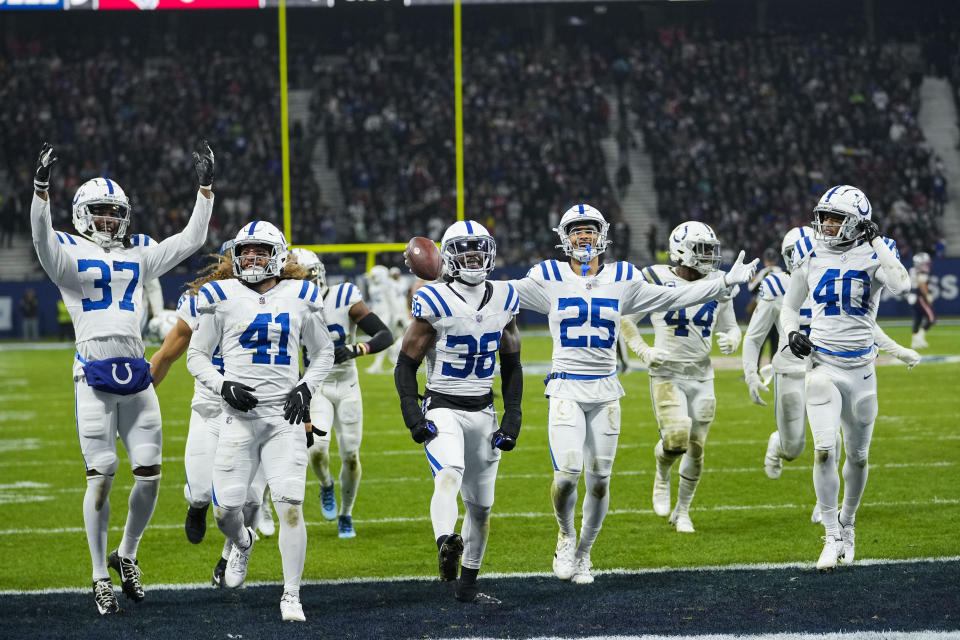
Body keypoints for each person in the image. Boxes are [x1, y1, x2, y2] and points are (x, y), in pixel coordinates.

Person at [510, 204, 758, 583]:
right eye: (576, 230)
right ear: (564, 237)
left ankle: (584, 554)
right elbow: (503, 294)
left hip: (607, 389)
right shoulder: (547, 275)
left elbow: (672, 299)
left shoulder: (624, 276)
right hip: (566, 386)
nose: (583, 237)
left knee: (600, 479)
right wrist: (457, 282)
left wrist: (724, 284)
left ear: (603, 234)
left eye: (590, 230)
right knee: (567, 473)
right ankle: (565, 535)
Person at [29, 141, 215, 615]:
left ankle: (126, 554)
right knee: (103, 476)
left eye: (115, 213)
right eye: (100, 212)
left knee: (151, 474)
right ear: (82, 214)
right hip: (90, 375)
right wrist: (40, 190)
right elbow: (41, 237)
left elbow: (190, 240)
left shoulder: (140, 253)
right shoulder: (66, 251)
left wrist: (206, 189)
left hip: (135, 374)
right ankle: (97, 575)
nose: (109, 221)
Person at [187, 220, 334, 622]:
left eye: (260, 251)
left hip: (283, 417)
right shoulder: (221, 295)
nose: (251, 257)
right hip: (238, 418)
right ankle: (243, 541)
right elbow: (196, 356)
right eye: (245, 250)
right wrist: (223, 386)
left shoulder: (300, 294)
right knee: (225, 512)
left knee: (290, 506)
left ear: (278, 256)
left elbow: (324, 352)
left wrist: (306, 388)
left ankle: (291, 595)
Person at [742, 226, 919, 523]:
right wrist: (750, 374)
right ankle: (779, 443)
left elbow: (868, 327)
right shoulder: (777, 286)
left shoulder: (834, 277)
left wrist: (900, 351)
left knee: (830, 440)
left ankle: (825, 504)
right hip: (789, 369)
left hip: (826, 367)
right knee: (794, 446)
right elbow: (754, 335)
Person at [779, 185, 911, 571]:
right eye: (825, 216)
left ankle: (848, 525)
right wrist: (791, 333)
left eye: (835, 217)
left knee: (858, 456)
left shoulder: (878, 249)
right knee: (824, 450)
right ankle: (831, 535)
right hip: (822, 365)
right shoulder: (810, 254)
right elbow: (789, 307)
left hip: (862, 370)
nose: (826, 224)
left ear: (857, 221)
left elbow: (902, 285)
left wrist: (875, 241)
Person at [394, 220, 523, 604]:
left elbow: (512, 364)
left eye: (479, 249)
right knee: (449, 474)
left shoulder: (504, 296)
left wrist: (513, 416)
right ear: (450, 256)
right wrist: (412, 412)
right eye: (465, 250)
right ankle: (446, 542)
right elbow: (405, 364)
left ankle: (467, 586)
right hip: (443, 406)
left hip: (484, 409)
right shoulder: (433, 299)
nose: (474, 257)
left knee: (481, 509)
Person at [148, 241, 270, 586]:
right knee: (203, 492)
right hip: (209, 407)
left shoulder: (276, 299)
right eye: (242, 257)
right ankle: (196, 505)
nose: (249, 263)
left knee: (249, 499)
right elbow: (169, 353)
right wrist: (137, 396)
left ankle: (230, 555)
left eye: (258, 256)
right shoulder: (202, 300)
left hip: (254, 411)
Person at [619, 221, 741, 533]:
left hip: (702, 375)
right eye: (702, 249)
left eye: (710, 249)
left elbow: (730, 325)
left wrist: (733, 338)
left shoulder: (719, 281)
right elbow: (626, 320)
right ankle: (662, 472)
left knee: (697, 447)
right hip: (667, 374)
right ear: (681, 250)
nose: (709, 256)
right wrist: (643, 351)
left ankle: (683, 511)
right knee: (676, 440)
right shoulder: (655, 278)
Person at [288, 248, 393, 539]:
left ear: (316, 273)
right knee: (317, 451)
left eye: (301, 275)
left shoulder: (344, 296)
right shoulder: (290, 305)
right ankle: (325, 485)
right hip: (316, 385)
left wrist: (357, 349)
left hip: (347, 386)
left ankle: (346, 514)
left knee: (350, 456)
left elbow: (384, 335)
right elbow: (287, 358)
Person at [364, 264, 398, 373]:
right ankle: (391, 364)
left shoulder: (387, 286)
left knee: (384, 340)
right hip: (377, 314)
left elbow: (392, 301)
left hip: (386, 314)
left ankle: (381, 364)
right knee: (386, 341)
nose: (373, 278)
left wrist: (397, 316)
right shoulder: (372, 285)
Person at [908, 252, 935, 349]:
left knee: (918, 318)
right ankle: (919, 337)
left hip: (912, 296)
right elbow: (922, 284)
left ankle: (915, 341)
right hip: (919, 296)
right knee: (931, 318)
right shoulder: (921, 272)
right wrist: (927, 296)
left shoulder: (912, 270)